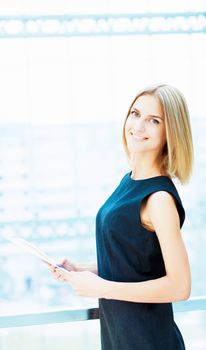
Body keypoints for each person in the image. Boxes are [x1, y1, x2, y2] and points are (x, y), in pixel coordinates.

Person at [50, 83, 193, 350]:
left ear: (170, 131)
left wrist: (101, 288)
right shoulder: (129, 181)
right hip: (121, 339)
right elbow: (134, 263)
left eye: (153, 120)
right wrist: (83, 270)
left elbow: (180, 285)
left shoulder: (158, 198)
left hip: (149, 341)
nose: (138, 127)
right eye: (135, 113)